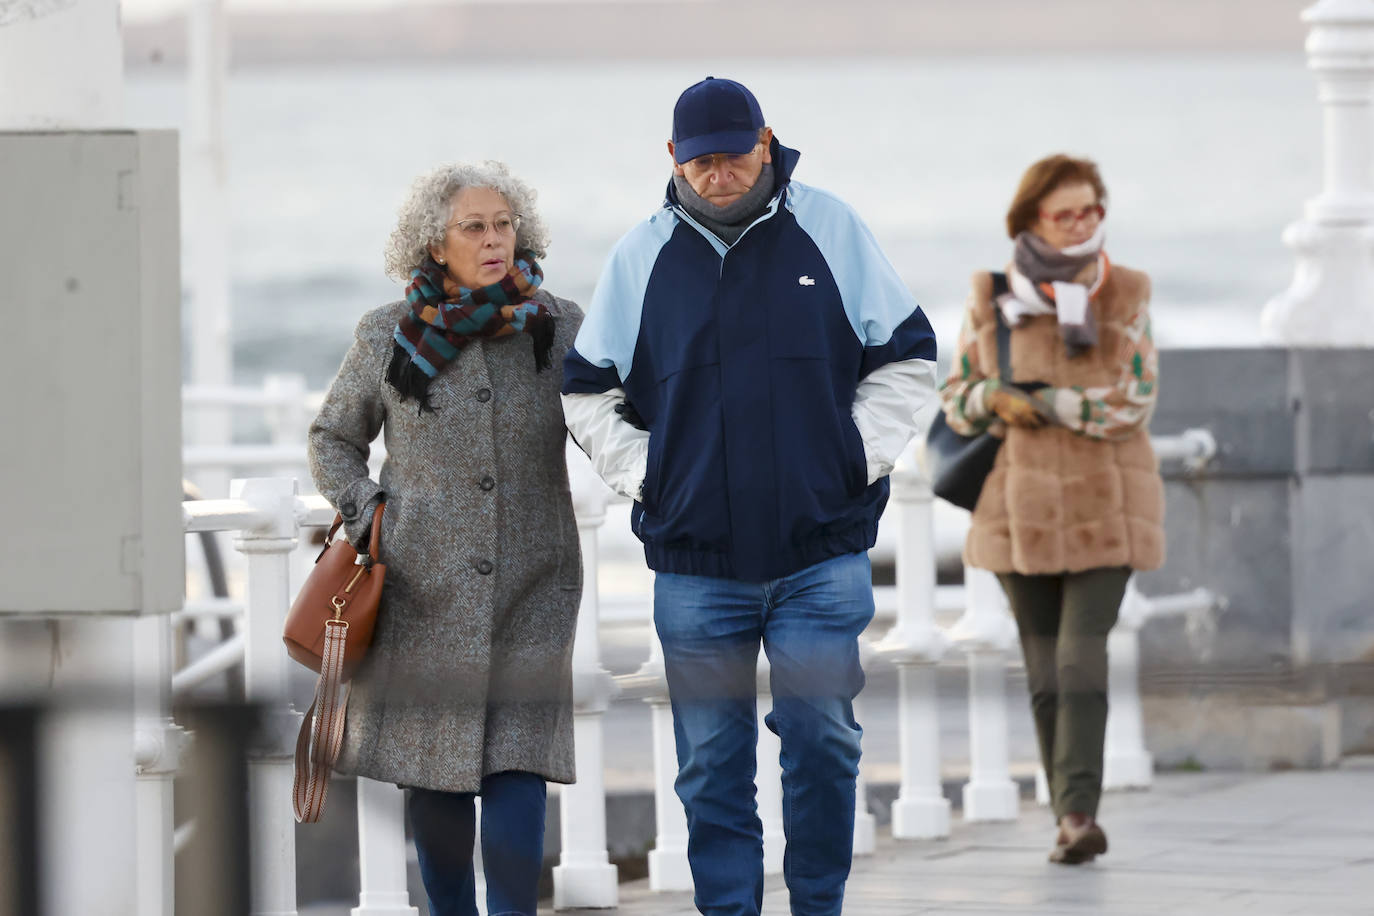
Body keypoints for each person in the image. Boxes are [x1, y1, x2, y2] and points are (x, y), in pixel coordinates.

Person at [562, 77, 937, 915]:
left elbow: (909, 357)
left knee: (823, 742)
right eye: (700, 162)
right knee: (710, 764)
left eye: (734, 155)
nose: (719, 174)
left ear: (766, 143)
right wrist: (653, 476)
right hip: (698, 566)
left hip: (821, 551)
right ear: (673, 159)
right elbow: (585, 389)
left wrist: (852, 457)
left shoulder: (831, 229)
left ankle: (817, 905)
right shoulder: (641, 255)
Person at [308, 160, 583, 916]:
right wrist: (370, 512)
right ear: (435, 245)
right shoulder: (387, 334)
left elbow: (606, 425)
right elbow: (333, 438)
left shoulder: (558, 327)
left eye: (503, 224)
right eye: (474, 227)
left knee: (519, 762)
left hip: (537, 576)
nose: (494, 239)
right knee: (434, 771)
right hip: (422, 584)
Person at [937, 154, 1164, 865]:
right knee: (1042, 671)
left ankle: (1076, 814)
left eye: (1093, 209)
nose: (1083, 224)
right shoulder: (992, 299)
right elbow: (957, 395)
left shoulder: (1124, 294)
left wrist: (1057, 404)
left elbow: (1137, 399)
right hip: (1018, 512)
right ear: (1032, 220)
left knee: (1078, 660)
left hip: (1110, 508)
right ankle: (1067, 812)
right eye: (1067, 213)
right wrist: (995, 400)